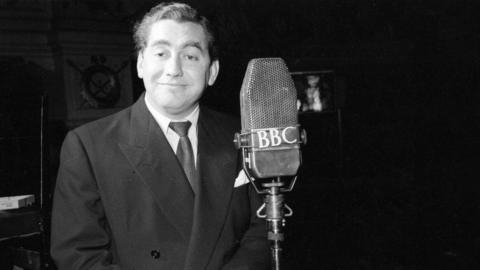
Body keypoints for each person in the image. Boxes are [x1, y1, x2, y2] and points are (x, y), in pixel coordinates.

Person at [50, 2, 269, 269]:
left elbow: (263, 231)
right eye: (161, 53)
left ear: (212, 72)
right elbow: (78, 255)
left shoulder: (244, 135)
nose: (174, 69)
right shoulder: (87, 146)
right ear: (141, 64)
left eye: (190, 56)